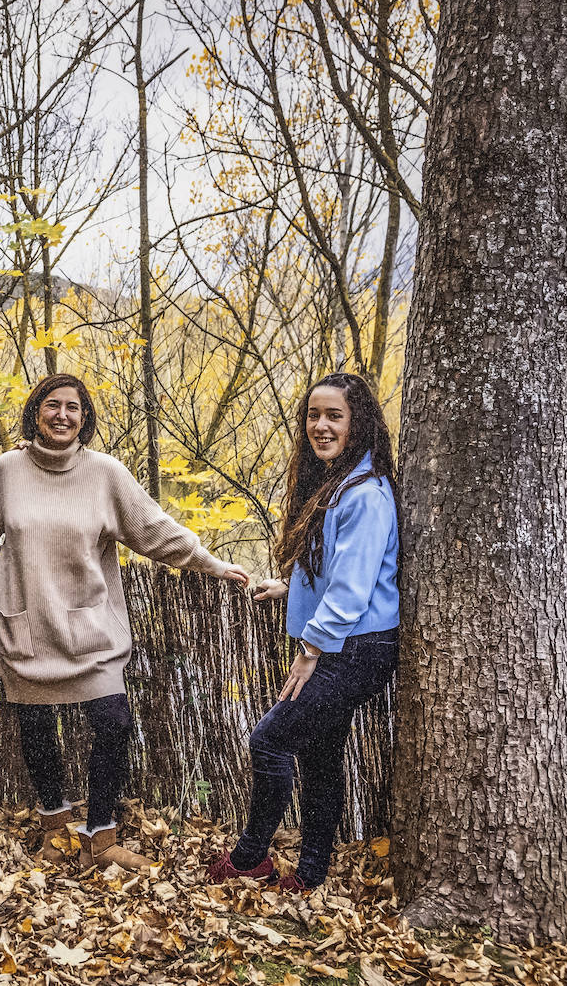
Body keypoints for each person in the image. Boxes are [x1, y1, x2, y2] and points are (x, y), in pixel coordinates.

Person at [0, 373, 250, 872]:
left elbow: (153, 529)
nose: (63, 416)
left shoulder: (105, 474)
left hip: (90, 632)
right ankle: (54, 826)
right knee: (35, 727)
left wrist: (212, 563)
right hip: (27, 626)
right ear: (36, 412)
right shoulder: (8, 469)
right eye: (53, 405)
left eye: (73, 408)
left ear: (85, 418)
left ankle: (100, 835)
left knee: (113, 722)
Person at [207, 371, 398, 893]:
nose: (320, 425)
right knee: (319, 756)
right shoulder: (340, 484)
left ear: (357, 423)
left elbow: (352, 591)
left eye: (333, 415)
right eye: (313, 415)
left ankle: (250, 859)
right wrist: (289, 589)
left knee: (270, 740)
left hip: (357, 651)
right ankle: (311, 875)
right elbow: (335, 571)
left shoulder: (365, 495)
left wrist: (310, 649)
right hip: (346, 644)